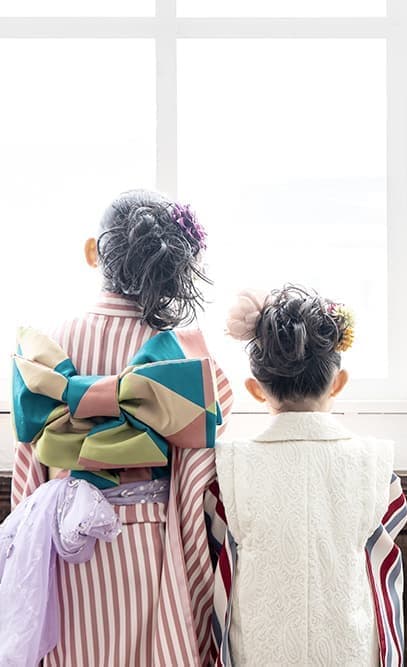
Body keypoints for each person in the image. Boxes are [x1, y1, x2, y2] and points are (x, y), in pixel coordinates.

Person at [3, 190, 232, 666]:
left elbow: (30, 466)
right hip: (148, 542)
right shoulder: (182, 356)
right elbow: (197, 468)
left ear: (94, 252)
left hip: (63, 541)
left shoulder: (45, 345)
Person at [211, 285, 407, 667]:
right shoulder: (373, 464)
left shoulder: (231, 466)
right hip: (349, 651)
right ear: (339, 382)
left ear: (255, 389)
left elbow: (217, 548)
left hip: (260, 651)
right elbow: (382, 553)